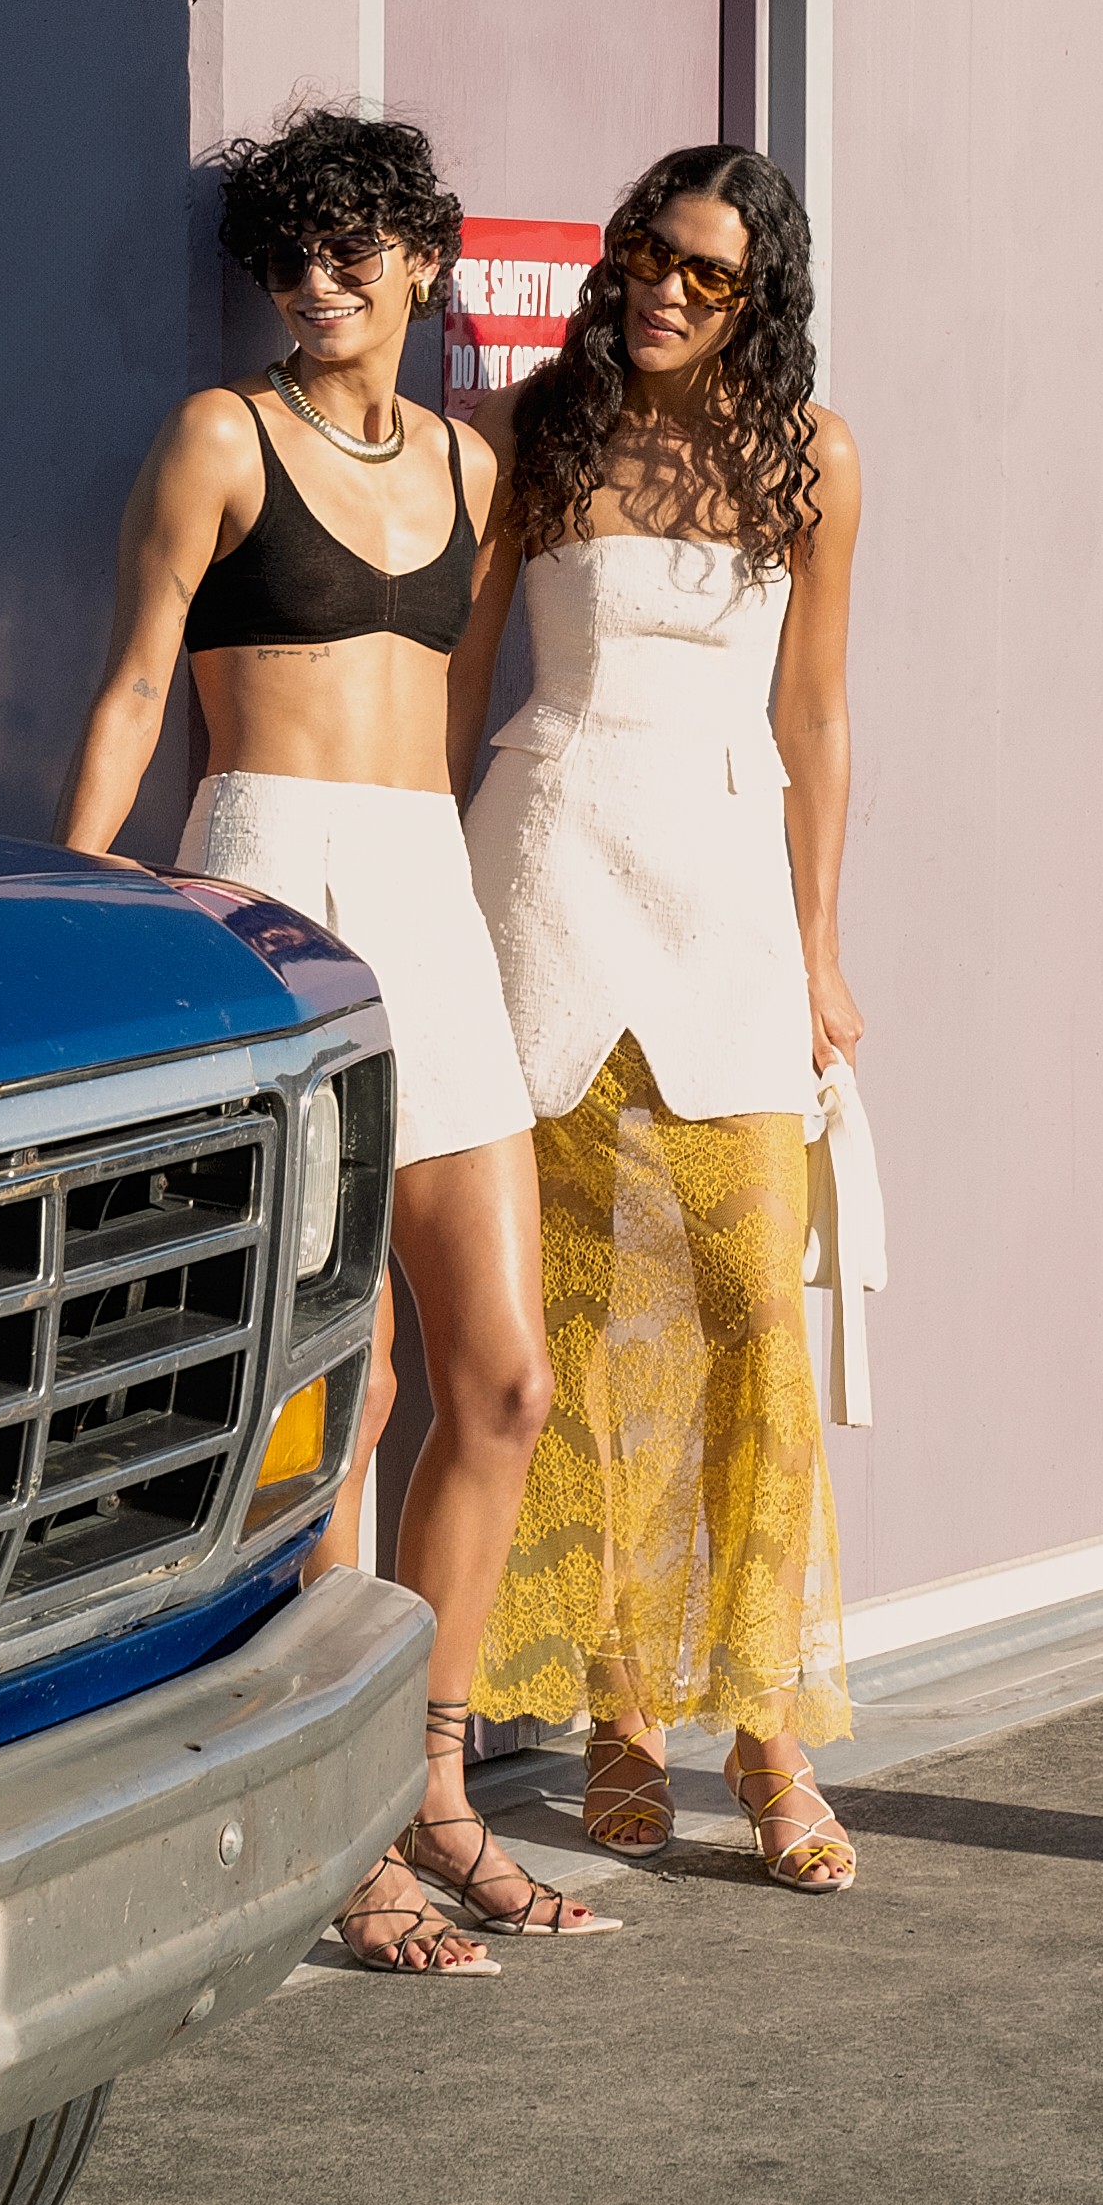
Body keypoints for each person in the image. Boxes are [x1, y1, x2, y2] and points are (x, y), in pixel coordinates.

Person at [54, 105, 617, 1975]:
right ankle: (345, 1818)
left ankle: (439, 1786)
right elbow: (137, 684)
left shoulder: (473, 465)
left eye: (351, 249)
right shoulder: (222, 437)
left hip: (425, 893)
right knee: (345, 1393)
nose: (316, 281)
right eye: (289, 255)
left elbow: (473, 712)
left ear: (422, 264)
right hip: (269, 881)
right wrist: (77, 914)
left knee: (504, 1382)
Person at [459, 142, 869, 1893]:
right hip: (543, 868)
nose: (664, 292)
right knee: (564, 1318)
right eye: (646, 255)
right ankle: (618, 1705)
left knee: (749, 1316)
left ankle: (766, 1728)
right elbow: (461, 671)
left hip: (723, 896)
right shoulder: (532, 436)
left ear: (756, 295)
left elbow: (818, 715)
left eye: (706, 274)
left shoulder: (811, 456)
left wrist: (819, 944)